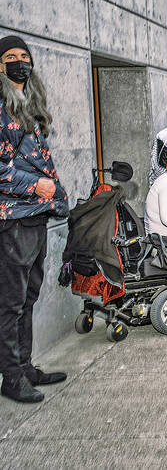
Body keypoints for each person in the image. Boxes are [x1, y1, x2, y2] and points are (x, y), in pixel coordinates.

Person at [0, 36, 69, 403]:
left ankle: (24, 367)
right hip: (12, 219)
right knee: (10, 303)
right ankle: (11, 378)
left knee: (28, 297)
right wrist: (36, 185)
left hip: (35, 215)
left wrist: (53, 194)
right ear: (0, 66)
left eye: (24, 56)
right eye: (11, 57)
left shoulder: (29, 106)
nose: (19, 62)